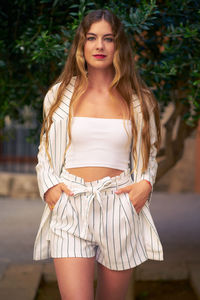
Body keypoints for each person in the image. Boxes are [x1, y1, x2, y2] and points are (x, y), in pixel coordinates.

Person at [33, 8, 163, 300]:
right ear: (82, 44)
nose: (100, 46)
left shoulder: (139, 100)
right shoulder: (59, 95)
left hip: (119, 206)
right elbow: (45, 147)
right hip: (71, 203)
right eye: (91, 38)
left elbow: (149, 151)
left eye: (108, 38)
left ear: (119, 46)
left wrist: (146, 184)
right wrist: (49, 187)